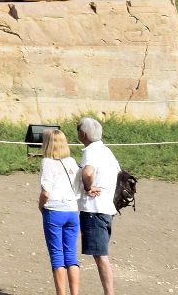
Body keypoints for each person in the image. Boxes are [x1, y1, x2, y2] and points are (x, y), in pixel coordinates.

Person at [76, 117, 120, 295]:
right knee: (100, 255)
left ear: (83, 134)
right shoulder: (107, 152)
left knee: (101, 256)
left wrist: (88, 186)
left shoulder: (91, 152)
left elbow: (88, 172)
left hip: (94, 209)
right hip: (106, 208)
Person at [39, 127, 83, 295]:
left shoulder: (47, 162)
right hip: (72, 211)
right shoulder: (72, 162)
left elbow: (46, 191)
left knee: (57, 257)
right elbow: (78, 189)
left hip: (54, 210)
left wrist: (41, 205)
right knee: (71, 256)